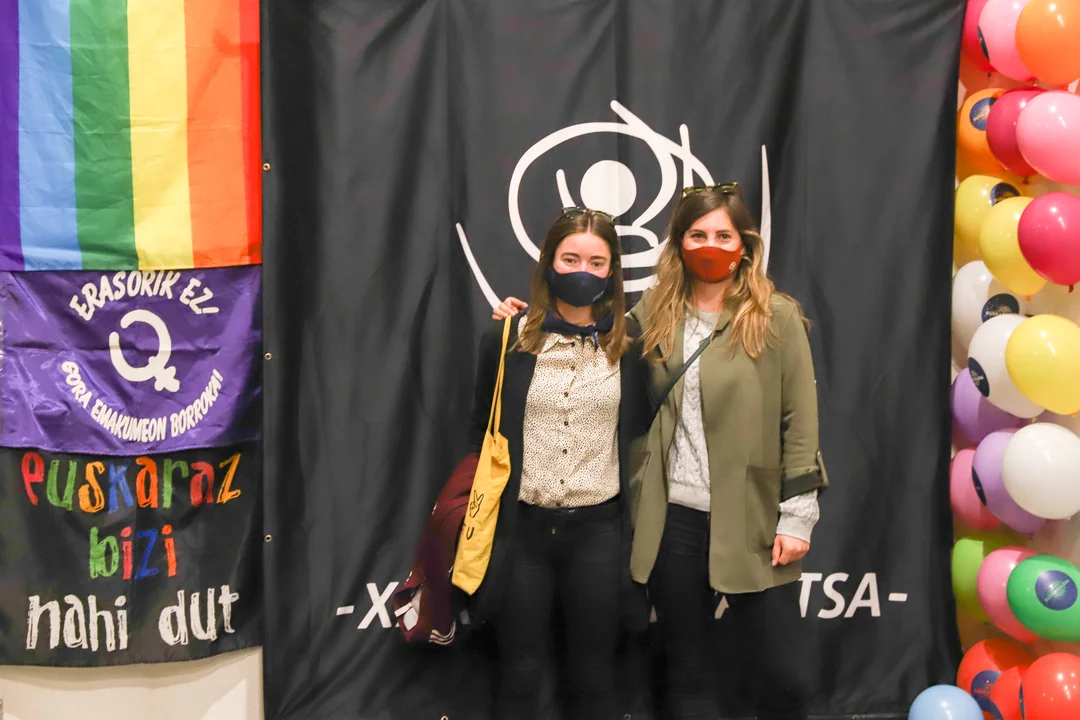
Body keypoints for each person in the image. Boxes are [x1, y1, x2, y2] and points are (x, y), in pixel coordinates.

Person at [492, 184, 826, 720]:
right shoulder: (653, 314)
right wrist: (521, 314)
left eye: (723, 236)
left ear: (745, 244)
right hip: (674, 520)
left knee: (780, 672)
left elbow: (801, 421)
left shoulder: (776, 316)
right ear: (678, 243)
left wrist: (798, 515)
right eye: (697, 234)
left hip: (757, 517)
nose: (710, 245)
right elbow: (580, 326)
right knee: (685, 670)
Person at [468, 206, 649, 720]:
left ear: (612, 271)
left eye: (596, 262)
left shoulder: (629, 346)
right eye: (570, 259)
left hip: (599, 532)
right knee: (519, 671)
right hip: (523, 530)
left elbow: (639, 431)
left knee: (594, 675)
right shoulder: (507, 339)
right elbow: (482, 427)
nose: (582, 271)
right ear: (549, 261)